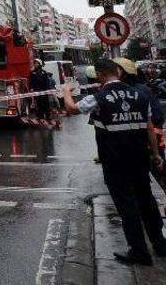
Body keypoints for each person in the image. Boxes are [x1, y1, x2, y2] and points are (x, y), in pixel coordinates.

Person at [63, 58, 166, 266]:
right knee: (146, 201)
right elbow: (148, 128)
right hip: (140, 159)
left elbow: (72, 109)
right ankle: (160, 245)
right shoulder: (141, 95)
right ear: (118, 73)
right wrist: (155, 155)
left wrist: (65, 92)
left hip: (115, 162)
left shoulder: (99, 97)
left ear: (100, 76)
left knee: (127, 205)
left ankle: (139, 251)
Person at [115, 58, 165, 160]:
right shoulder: (141, 88)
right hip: (146, 139)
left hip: (147, 139)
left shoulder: (135, 91)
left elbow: (154, 118)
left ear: (122, 73)